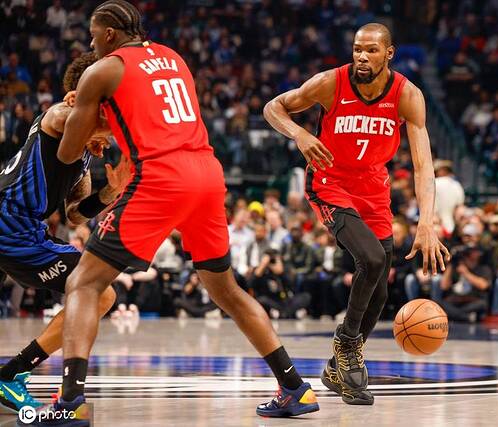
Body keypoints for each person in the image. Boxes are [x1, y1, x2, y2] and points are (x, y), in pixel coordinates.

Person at [33, 2, 318, 424]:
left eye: (93, 36)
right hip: (207, 174)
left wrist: (83, 112)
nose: (91, 45)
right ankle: (295, 387)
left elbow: (68, 152)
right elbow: (154, 114)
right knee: (227, 291)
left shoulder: (103, 69)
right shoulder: (173, 57)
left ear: (109, 34)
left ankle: (70, 402)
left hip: (161, 178)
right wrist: (102, 112)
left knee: (84, 283)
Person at [264, 22, 449, 404]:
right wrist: (300, 134)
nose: (362, 56)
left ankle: (337, 369)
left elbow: (423, 166)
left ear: (389, 54)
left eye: (371, 50)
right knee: (372, 258)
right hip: (330, 182)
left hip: (373, 188)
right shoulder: (329, 83)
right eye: (357, 49)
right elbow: (273, 107)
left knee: (380, 287)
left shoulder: (407, 95)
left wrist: (426, 223)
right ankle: (347, 344)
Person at [0, 53, 127, 413]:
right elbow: (69, 117)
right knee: (99, 293)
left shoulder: (83, 153)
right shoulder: (58, 115)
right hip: (11, 225)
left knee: (96, 292)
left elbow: (74, 216)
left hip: (19, 227)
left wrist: (109, 192)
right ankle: (12, 374)